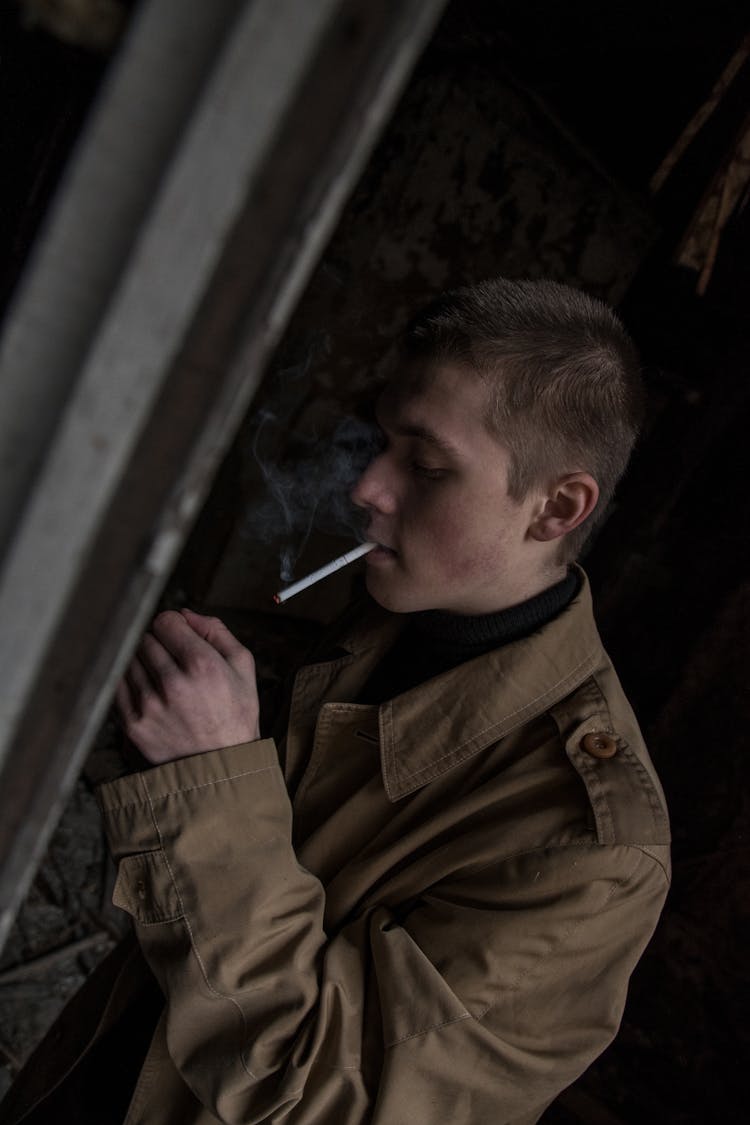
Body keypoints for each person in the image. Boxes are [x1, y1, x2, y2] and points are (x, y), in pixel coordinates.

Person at [0, 278, 670, 1124]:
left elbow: (323, 1098)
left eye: (426, 465)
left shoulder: (591, 852)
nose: (369, 486)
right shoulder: (383, 628)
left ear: (557, 506)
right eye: (383, 440)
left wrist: (209, 776)